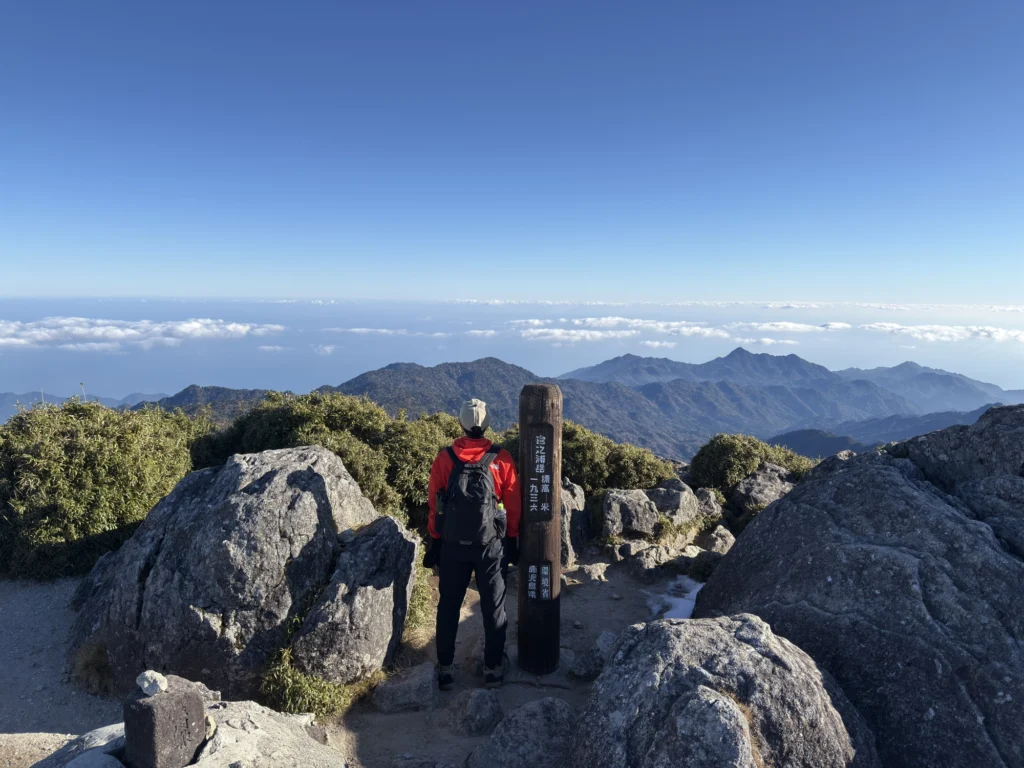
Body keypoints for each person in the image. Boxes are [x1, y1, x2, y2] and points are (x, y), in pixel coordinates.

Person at [423, 398, 521, 689]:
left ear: (461, 424)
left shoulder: (444, 459)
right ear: (487, 424)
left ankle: (445, 667)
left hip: (453, 545)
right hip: (490, 546)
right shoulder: (501, 459)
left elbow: (434, 506)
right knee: (494, 607)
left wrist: (435, 540)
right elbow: (513, 506)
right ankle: (492, 667)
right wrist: (512, 540)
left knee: (449, 606)